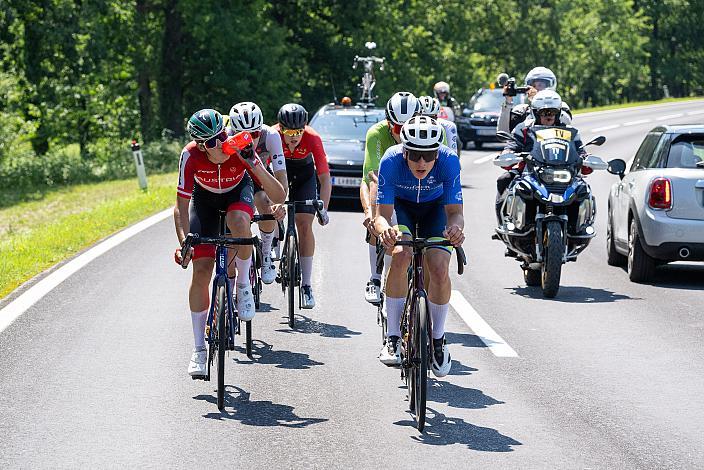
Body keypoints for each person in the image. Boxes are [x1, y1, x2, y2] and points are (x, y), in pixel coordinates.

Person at [174, 108, 285, 377]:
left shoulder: (239, 144)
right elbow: (180, 205)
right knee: (201, 271)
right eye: (213, 142)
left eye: (223, 135)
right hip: (205, 202)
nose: (221, 143)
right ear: (201, 145)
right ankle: (199, 350)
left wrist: (253, 162)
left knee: (238, 221)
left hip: (238, 192)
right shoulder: (190, 155)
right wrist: (184, 243)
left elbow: (278, 192)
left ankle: (244, 286)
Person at [374, 116, 464, 377]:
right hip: (401, 208)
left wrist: (457, 229)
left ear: (438, 151)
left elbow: (455, 212)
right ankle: (392, 338)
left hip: (434, 210)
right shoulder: (391, 161)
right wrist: (385, 231)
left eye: (428, 155)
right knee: (401, 254)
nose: (422, 162)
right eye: (414, 155)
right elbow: (382, 215)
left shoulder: (448, 161)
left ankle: (438, 340)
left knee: (438, 267)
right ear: (404, 150)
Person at [360, 92, 420, 304]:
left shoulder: (430, 132)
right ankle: (376, 279)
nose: (403, 134)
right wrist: (372, 214)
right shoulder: (376, 134)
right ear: (388, 123)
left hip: (416, 187)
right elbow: (372, 179)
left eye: (408, 127)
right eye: (397, 128)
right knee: (379, 219)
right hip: (383, 184)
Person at [495, 90, 588, 227]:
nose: (548, 116)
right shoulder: (523, 129)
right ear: (535, 112)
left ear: (559, 113)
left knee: (583, 188)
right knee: (504, 180)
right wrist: (508, 153)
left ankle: (581, 225)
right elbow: (513, 144)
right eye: (544, 112)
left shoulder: (569, 132)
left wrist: (586, 157)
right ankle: (504, 223)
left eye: (552, 112)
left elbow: (580, 150)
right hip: (530, 172)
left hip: (564, 174)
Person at [272, 103, 331, 309]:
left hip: (304, 176)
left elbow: (324, 177)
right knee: (274, 211)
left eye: (298, 131)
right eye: (288, 132)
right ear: (280, 128)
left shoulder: (312, 137)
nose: (294, 136)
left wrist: (323, 208)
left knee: (304, 224)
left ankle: (306, 285)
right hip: (278, 174)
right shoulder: (272, 136)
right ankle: (272, 240)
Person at [228, 101, 288, 285]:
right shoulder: (226, 138)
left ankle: (267, 251)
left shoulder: (270, 135)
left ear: (260, 129)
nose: (249, 140)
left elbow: (280, 173)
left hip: (260, 174)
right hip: (237, 178)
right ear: (233, 132)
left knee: (264, 201)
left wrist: (280, 203)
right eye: (242, 135)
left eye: (254, 134)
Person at [498, 66, 572, 133]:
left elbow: (566, 122)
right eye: (533, 85)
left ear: (550, 85)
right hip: (528, 147)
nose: (536, 88)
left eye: (540, 85)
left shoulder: (561, 106)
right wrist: (508, 102)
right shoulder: (521, 110)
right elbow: (503, 132)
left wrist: (541, 102)